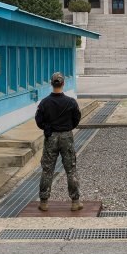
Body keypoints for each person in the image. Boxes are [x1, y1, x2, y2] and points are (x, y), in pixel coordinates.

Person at [35, 72, 83, 211]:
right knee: (71, 169)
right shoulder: (71, 102)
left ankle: (44, 202)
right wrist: (67, 128)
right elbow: (76, 119)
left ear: (51, 83)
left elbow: (39, 121)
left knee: (47, 169)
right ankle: (75, 202)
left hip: (51, 138)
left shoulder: (44, 102)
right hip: (66, 137)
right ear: (63, 84)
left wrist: (47, 128)